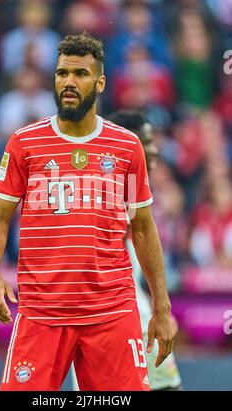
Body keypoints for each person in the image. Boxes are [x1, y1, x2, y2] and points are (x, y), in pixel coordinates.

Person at [0, 32, 176, 391]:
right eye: (62, 74)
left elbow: (145, 228)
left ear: (100, 81)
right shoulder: (24, 143)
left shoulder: (127, 146)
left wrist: (162, 308)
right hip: (41, 313)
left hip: (112, 313)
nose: (69, 82)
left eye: (81, 74)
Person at [107, 110, 183, 391]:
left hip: (139, 309)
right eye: (146, 141)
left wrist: (158, 304)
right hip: (111, 317)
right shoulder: (110, 188)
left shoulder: (142, 189)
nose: (154, 149)